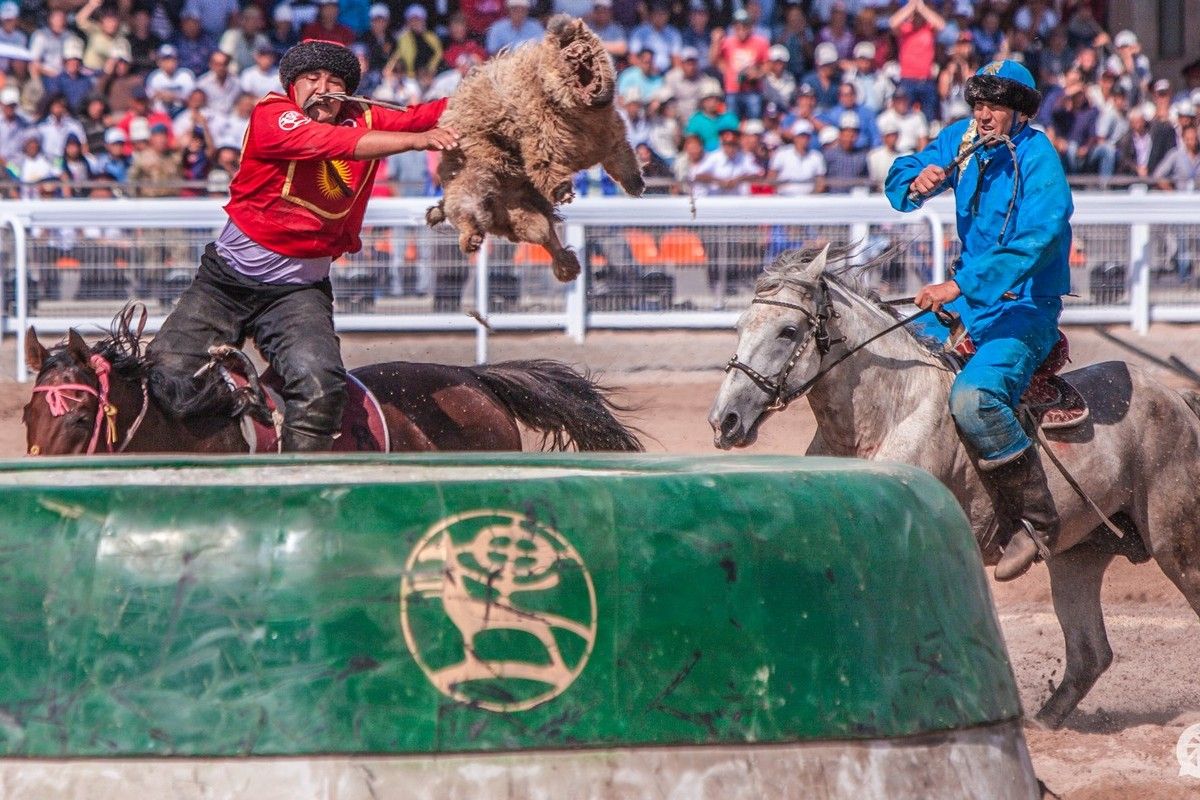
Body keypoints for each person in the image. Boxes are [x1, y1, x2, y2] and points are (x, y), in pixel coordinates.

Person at [145, 39, 458, 452]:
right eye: (312, 78)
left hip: (298, 293)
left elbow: (428, 113)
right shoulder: (272, 114)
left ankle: (294, 486)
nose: (324, 88)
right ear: (292, 85)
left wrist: (500, 89)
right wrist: (417, 140)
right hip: (225, 283)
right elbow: (329, 143)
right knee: (162, 373)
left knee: (321, 386)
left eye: (335, 81)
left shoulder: (363, 117)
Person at [885, 60, 1073, 581]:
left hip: (1025, 309)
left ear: (1018, 111)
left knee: (973, 397)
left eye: (994, 106)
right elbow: (900, 180)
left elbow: (1038, 237)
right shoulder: (961, 138)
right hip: (968, 304)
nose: (983, 115)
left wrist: (961, 286)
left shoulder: (1040, 159)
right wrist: (915, 180)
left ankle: (1036, 520)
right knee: (886, 359)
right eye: (978, 105)